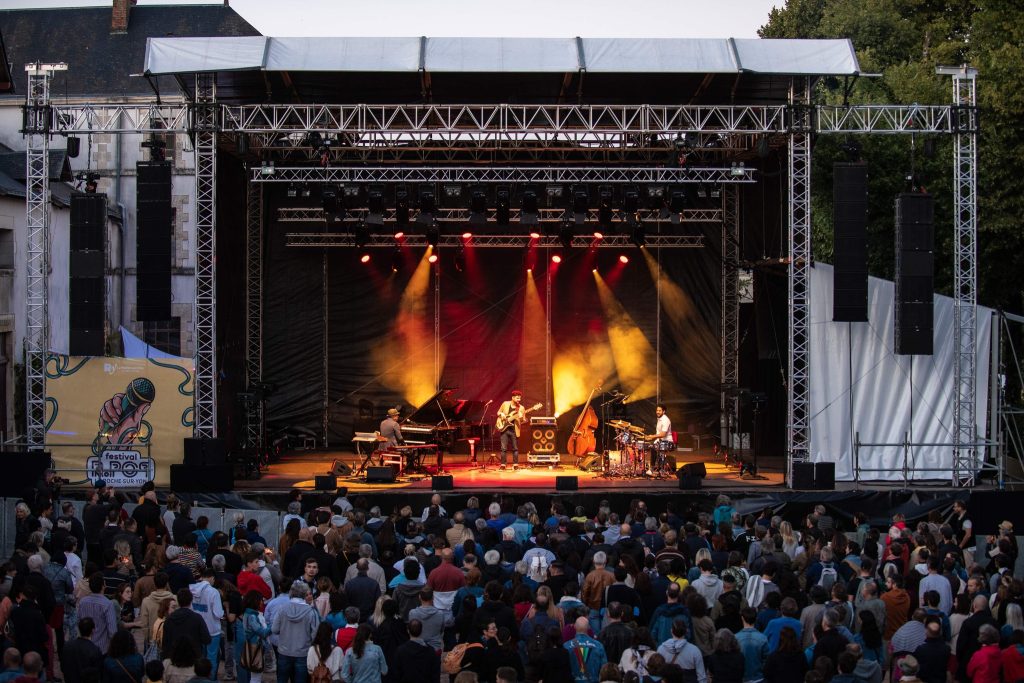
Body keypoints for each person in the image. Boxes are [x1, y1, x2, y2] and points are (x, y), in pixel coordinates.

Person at [272, 582, 320, 683]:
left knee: (281, 680)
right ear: (304, 593)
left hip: (284, 651)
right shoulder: (311, 612)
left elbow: (274, 629)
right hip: (303, 652)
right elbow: (315, 634)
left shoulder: (282, 609)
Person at [188, 567, 223, 680]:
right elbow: (218, 613)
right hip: (212, 630)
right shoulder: (214, 592)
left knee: (200, 658)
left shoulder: (192, 590)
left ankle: (200, 679)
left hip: (198, 630)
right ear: (212, 578)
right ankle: (210, 680)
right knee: (212, 658)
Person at [161, 589, 210, 661]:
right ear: (191, 601)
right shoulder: (197, 618)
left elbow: (165, 643)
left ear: (178, 601)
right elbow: (207, 639)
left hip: (175, 658)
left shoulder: (169, 619)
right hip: (193, 658)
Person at [391, 619, 440, 683]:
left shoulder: (400, 650)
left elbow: (396, 673)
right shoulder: (430, 651)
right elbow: (435, 674)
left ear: (408, 631)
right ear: (421, 631)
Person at [565, 616, 607, 683]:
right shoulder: (598, 646)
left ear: (575, 627)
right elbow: (604, 669)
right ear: (588, 627)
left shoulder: (566, 646)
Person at [62, 616, 104, 683]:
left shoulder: (67, 646)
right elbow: (98, 674)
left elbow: (63, 668)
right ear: (93, 630)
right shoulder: (95, 650)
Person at [496, 390, 526, 470]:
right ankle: (503, 465)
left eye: (519, 398)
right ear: (512, 398)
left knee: (515, 448)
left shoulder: (521, 408)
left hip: (514, 430)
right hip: (504, 429)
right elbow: (498, 412)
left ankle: (515, 464)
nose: (519, 400)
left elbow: (523, 420)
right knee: (503, 449)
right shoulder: (505, 404)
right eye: (517, 398)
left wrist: (520, 418)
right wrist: (501, 414)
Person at [646, 404, 675, 473]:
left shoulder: (665, 420)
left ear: (664, 411)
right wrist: (651, 438)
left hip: (667, 442)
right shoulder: (659, 419)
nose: (657, 412)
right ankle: (658, 467)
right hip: (661, 441)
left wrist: (652, 436)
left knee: (653, 448)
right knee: (650, 445)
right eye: (657, 410)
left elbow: (663, 434)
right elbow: (659, 434)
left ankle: (652, 468)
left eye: (659, 410)